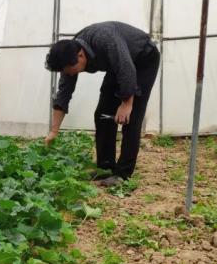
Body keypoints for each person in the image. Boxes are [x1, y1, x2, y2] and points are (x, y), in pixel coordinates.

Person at [44, 21, 160, 186]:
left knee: (131, 118)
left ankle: (122, 175)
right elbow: (63, 94)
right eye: (66, 72)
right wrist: (54, 131)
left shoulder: (106, 39)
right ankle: (106, 167)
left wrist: (127, 103)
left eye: (72, 70)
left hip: (143, 58)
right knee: (104, 114)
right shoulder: (69, 56)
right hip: (118, 65)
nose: (70, 74)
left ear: (81, 56)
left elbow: (126, 68)